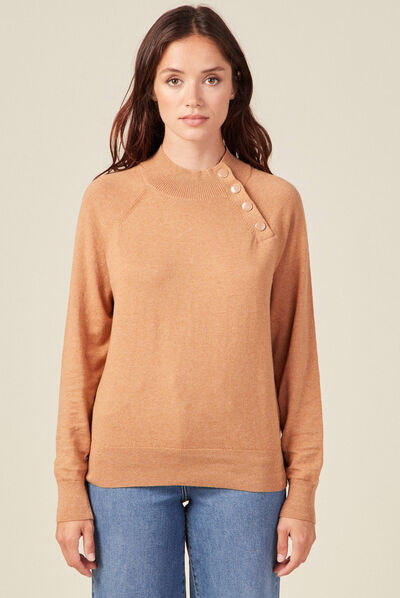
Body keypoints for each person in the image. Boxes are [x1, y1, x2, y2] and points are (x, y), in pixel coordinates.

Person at [54, 5, 324, 597]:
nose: (193, 97)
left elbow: (295, 357)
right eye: (174, 79)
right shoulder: (108, 201)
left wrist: (302, 492)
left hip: (245, 478)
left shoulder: (276, 203)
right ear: (151, 90)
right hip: (125, 475)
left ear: (235, 88)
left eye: (211, 78)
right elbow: (84, 350)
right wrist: (70, 486)